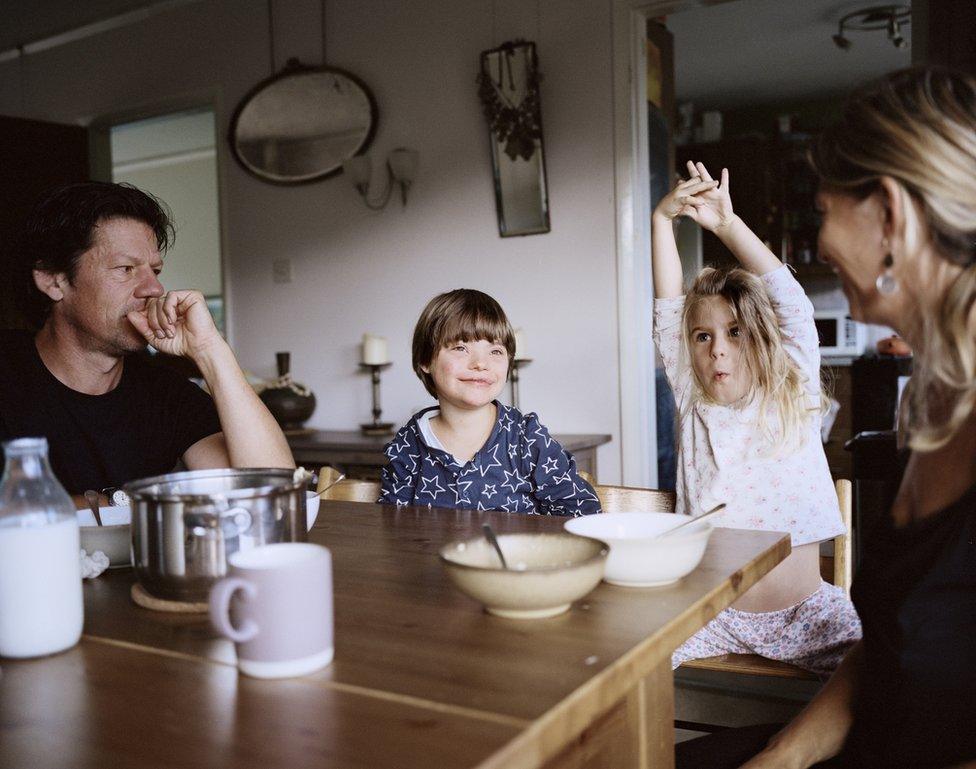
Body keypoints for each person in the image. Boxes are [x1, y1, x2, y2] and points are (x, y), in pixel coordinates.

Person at [676, 66, 976, 769]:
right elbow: (894, 651)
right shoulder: (931, 397)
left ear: (891, 215)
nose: (818, 242)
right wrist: (780, 756)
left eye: (823, 211)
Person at [653, 160, 860, 675]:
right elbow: (667, 311)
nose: (718, 351)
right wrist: (661, 222)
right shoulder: (693, 393)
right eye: (704, 337)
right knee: (627, 662)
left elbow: (790, 302)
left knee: (879, 684)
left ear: (763, 339)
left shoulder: (791, 385)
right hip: (711, 613)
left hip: (806, 614)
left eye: (736, 333)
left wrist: (726, 225)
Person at [0, 181, 294, 503]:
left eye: (154, 269)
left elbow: (274, 497)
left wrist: (211, 350)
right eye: (126, 269)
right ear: (54, 281)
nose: (153, 288)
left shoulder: (167, 393)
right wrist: (124, 503)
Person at [379, 289, 600, 515]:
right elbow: (394, 527)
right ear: (426, 360)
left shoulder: (527, 439)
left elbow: (582, 513)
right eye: (460, 348)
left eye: (495, 351)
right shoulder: (408, 445)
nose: (480, 363)